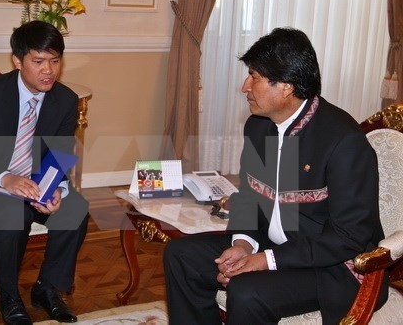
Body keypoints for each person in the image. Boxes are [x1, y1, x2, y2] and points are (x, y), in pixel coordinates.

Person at [163, 27, 389, 324]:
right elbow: (249, 199)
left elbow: (349, 237)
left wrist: (265, 261)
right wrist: (242, 245)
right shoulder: (259, 127)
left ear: (286, 87)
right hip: (274, 246)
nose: (245, 86)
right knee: (181, 256)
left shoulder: (342, 142)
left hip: (331, 267)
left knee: (246, 290)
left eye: (254, 77)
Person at [0, 20, 89, 325]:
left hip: (32, 183)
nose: (48, 70)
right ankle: (9, 298)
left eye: (55, 61)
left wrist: (54, 190)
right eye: (38, 61)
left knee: (76, 208)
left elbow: (58, 153)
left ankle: (47, 289)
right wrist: (5, 178)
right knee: (13, 212)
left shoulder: (65, 100)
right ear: (17, 60)